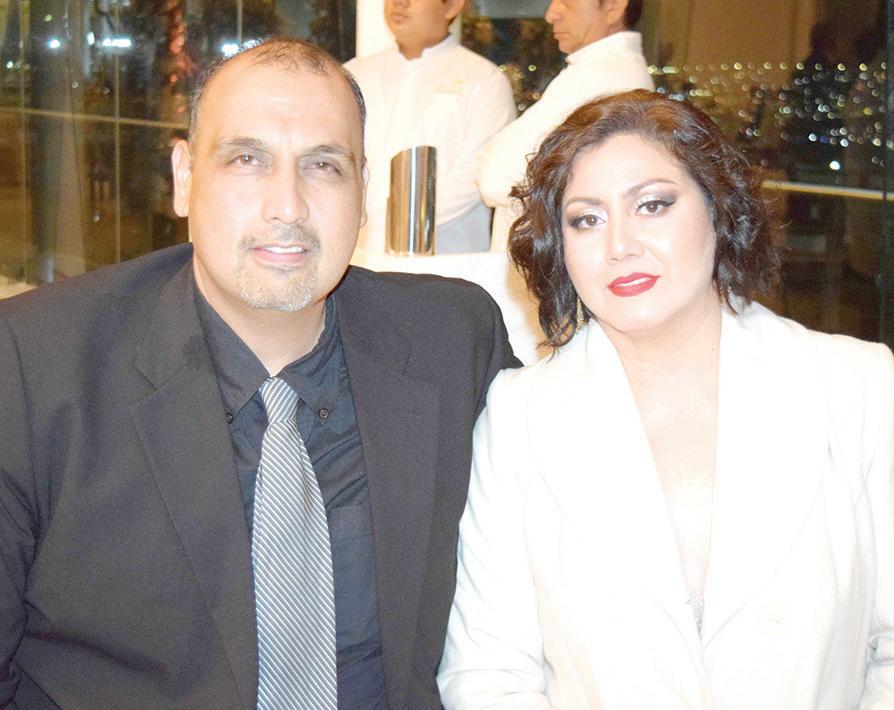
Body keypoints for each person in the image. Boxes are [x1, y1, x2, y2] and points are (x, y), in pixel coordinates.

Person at [0, 38, 517, 709]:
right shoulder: (34, 365)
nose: (288, 206)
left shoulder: (453, 341)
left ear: (364, 191)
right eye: (247, 159)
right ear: (184, 177)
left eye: (324, 165)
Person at [438, 90, 894, 708]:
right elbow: (488, 674)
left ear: (719, 210)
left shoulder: (858, 387)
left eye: (652, 205)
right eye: (586, 219)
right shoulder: (518, 418)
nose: (620, 245)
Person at [477, 0, 653, 252]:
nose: (551, 15)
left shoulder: (602, 75)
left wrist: (489, 156)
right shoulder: (599, 69)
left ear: (614, 6)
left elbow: (496, 180)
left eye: (566, 2)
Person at [345, 0, 515, 254]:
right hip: (359, 253)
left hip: (446, 257)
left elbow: (477, 174)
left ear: (452, 6)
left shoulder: (484, 80)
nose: (399, 3)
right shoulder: (352, 74)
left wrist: (392, 219)